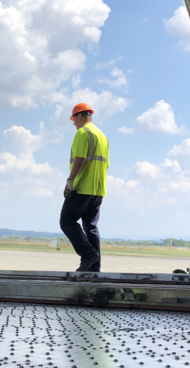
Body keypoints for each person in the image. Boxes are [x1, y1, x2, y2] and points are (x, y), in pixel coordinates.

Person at [60, 102, 109, 272]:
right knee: (91, 227)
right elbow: (106, 165)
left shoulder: (82, 133)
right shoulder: (102, 136)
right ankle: (94, 267)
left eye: (74, 119)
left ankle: (88, 254)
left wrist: (70, 181)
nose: (73, 123)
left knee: (67, 220)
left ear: (80, 116)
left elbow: (79, 158)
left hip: (82, 188)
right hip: (98, 190)